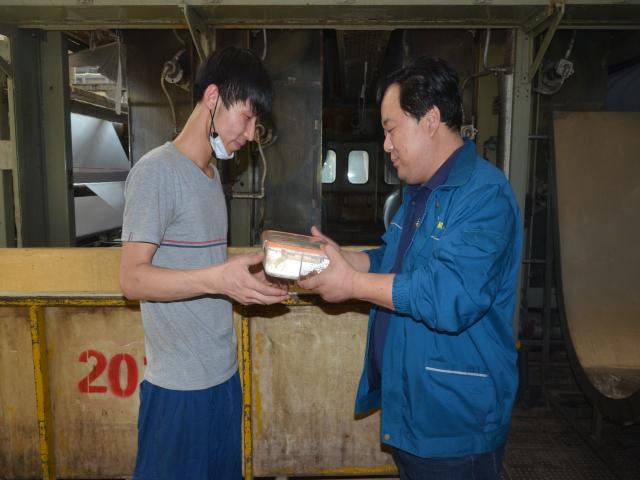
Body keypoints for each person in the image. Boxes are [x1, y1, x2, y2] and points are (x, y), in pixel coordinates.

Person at [299, 56, 523, 480]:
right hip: (413, 410)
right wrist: (342, 259)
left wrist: (352, 284)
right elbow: (390, 260)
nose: (386, 145)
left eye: (390, 129)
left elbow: (448, 295)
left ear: (431, 120)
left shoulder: (485, 196)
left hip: (453, 424)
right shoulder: (420, 192)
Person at [119, 46, 289, 480]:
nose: (249, 134)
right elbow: (132, 279)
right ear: (213, 97)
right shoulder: (156, 172)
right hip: (178, 390)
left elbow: (201, 263)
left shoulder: (211, 178)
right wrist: (219, 278)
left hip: (223, 378)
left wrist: (245, 270)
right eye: (246, 118)